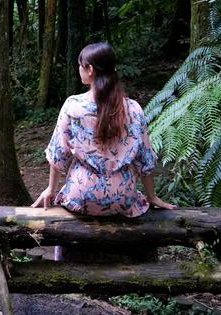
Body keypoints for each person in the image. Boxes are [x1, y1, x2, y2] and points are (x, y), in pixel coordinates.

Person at [33, 42, 175, 260]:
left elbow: (58, 153)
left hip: (82, 197)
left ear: (90, 70)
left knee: (69, 201)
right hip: (122, 198)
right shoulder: (133, 109)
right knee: (129, 197)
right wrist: (151, 196)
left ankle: (63, 262)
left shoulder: (73, 106)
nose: (78, 69)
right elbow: (145, 158)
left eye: (80, 65)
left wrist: (50, 189)